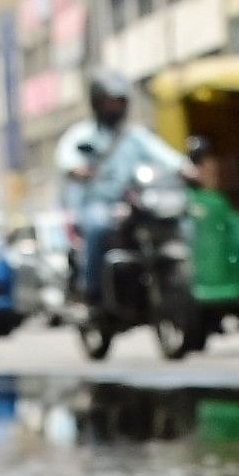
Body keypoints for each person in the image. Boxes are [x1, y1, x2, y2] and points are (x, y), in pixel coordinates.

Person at [54, 72, 188, 307]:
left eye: (120, 102)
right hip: (98, 204)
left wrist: (187, 169)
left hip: (135, 202)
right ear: (97, 104)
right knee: (98, 227)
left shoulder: (135, 136)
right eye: (110, 102)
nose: (116, 107)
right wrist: (78, 170)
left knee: (175, 220)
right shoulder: (82, 134)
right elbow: (66, 159)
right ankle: (91, 290)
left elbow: (164, 155)